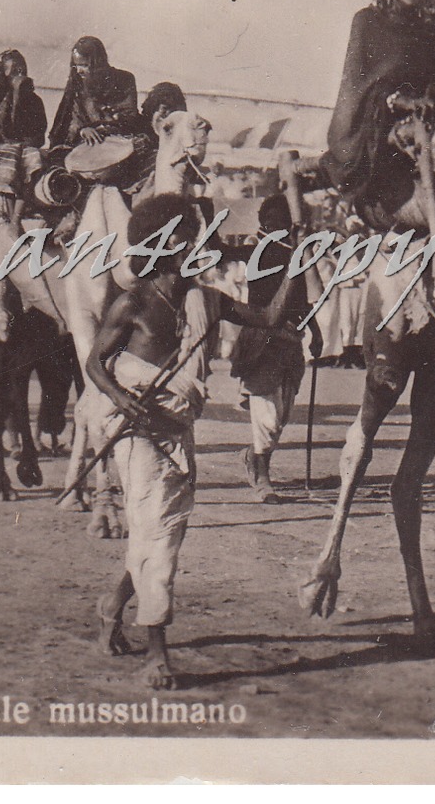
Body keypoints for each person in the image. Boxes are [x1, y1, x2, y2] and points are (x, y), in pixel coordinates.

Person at [88, 193, 301, 688]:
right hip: (137, 432)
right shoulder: (133, 302)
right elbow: (96, 364)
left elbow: (268, 318)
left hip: (178, 430)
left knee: (159, 529)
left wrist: (296, 261)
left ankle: (113, 604)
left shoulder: (207, 299)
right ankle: (156, 652)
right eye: (192, 240)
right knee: (158, 535)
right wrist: (122, 398)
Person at [323, 0, 435, 230]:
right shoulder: (368, 21)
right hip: (378, 119)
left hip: (426, 109)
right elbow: (361, 82)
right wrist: (397, 101)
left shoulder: (426, 30)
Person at [228, 194, 315, 503]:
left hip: (292, 341)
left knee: (282, 414)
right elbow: (220, 251)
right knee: (267, 416)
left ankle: (254, 457)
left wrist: (315, 331)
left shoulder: (298, 256)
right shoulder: (255, 250)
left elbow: (304, 300)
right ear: (264, 223)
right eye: (272, 221)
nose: (277, 226)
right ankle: (263, 478)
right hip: (261, 341)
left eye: (283, 221)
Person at [46, 36, 141, 149]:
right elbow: (72, 119)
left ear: (98, 64)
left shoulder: (124, 79)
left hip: (119, 140)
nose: (79, 70)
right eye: (76, 65)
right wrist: (82, 130)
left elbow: (128, 118)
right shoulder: (77, 84)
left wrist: (101, 128)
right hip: (86, 143)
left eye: (85, 65)